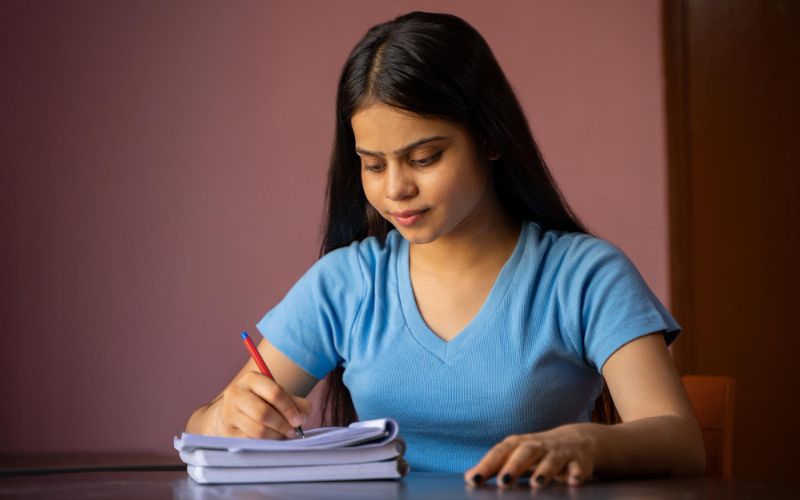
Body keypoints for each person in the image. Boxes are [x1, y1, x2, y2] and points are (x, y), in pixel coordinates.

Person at [185, 11, 705, 488]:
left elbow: (681, 440)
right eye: (372, 164)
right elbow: (208, 428)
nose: (395, 190)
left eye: (425, 157)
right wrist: (222, 417)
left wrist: (587, 441)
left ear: (490, 139)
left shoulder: (585, 276)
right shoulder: (347, 282)